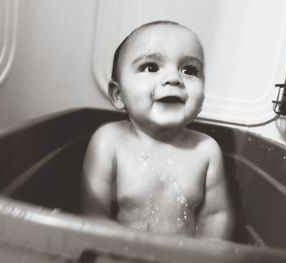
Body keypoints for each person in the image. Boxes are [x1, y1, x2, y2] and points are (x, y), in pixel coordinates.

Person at [82, 20, 236, 239]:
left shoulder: (206, 150)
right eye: (151, 67)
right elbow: (93, 215)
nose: (174, 79)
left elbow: (215, 215)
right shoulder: (109, 142)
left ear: (201, 99)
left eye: (189, 70)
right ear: (118, 95)